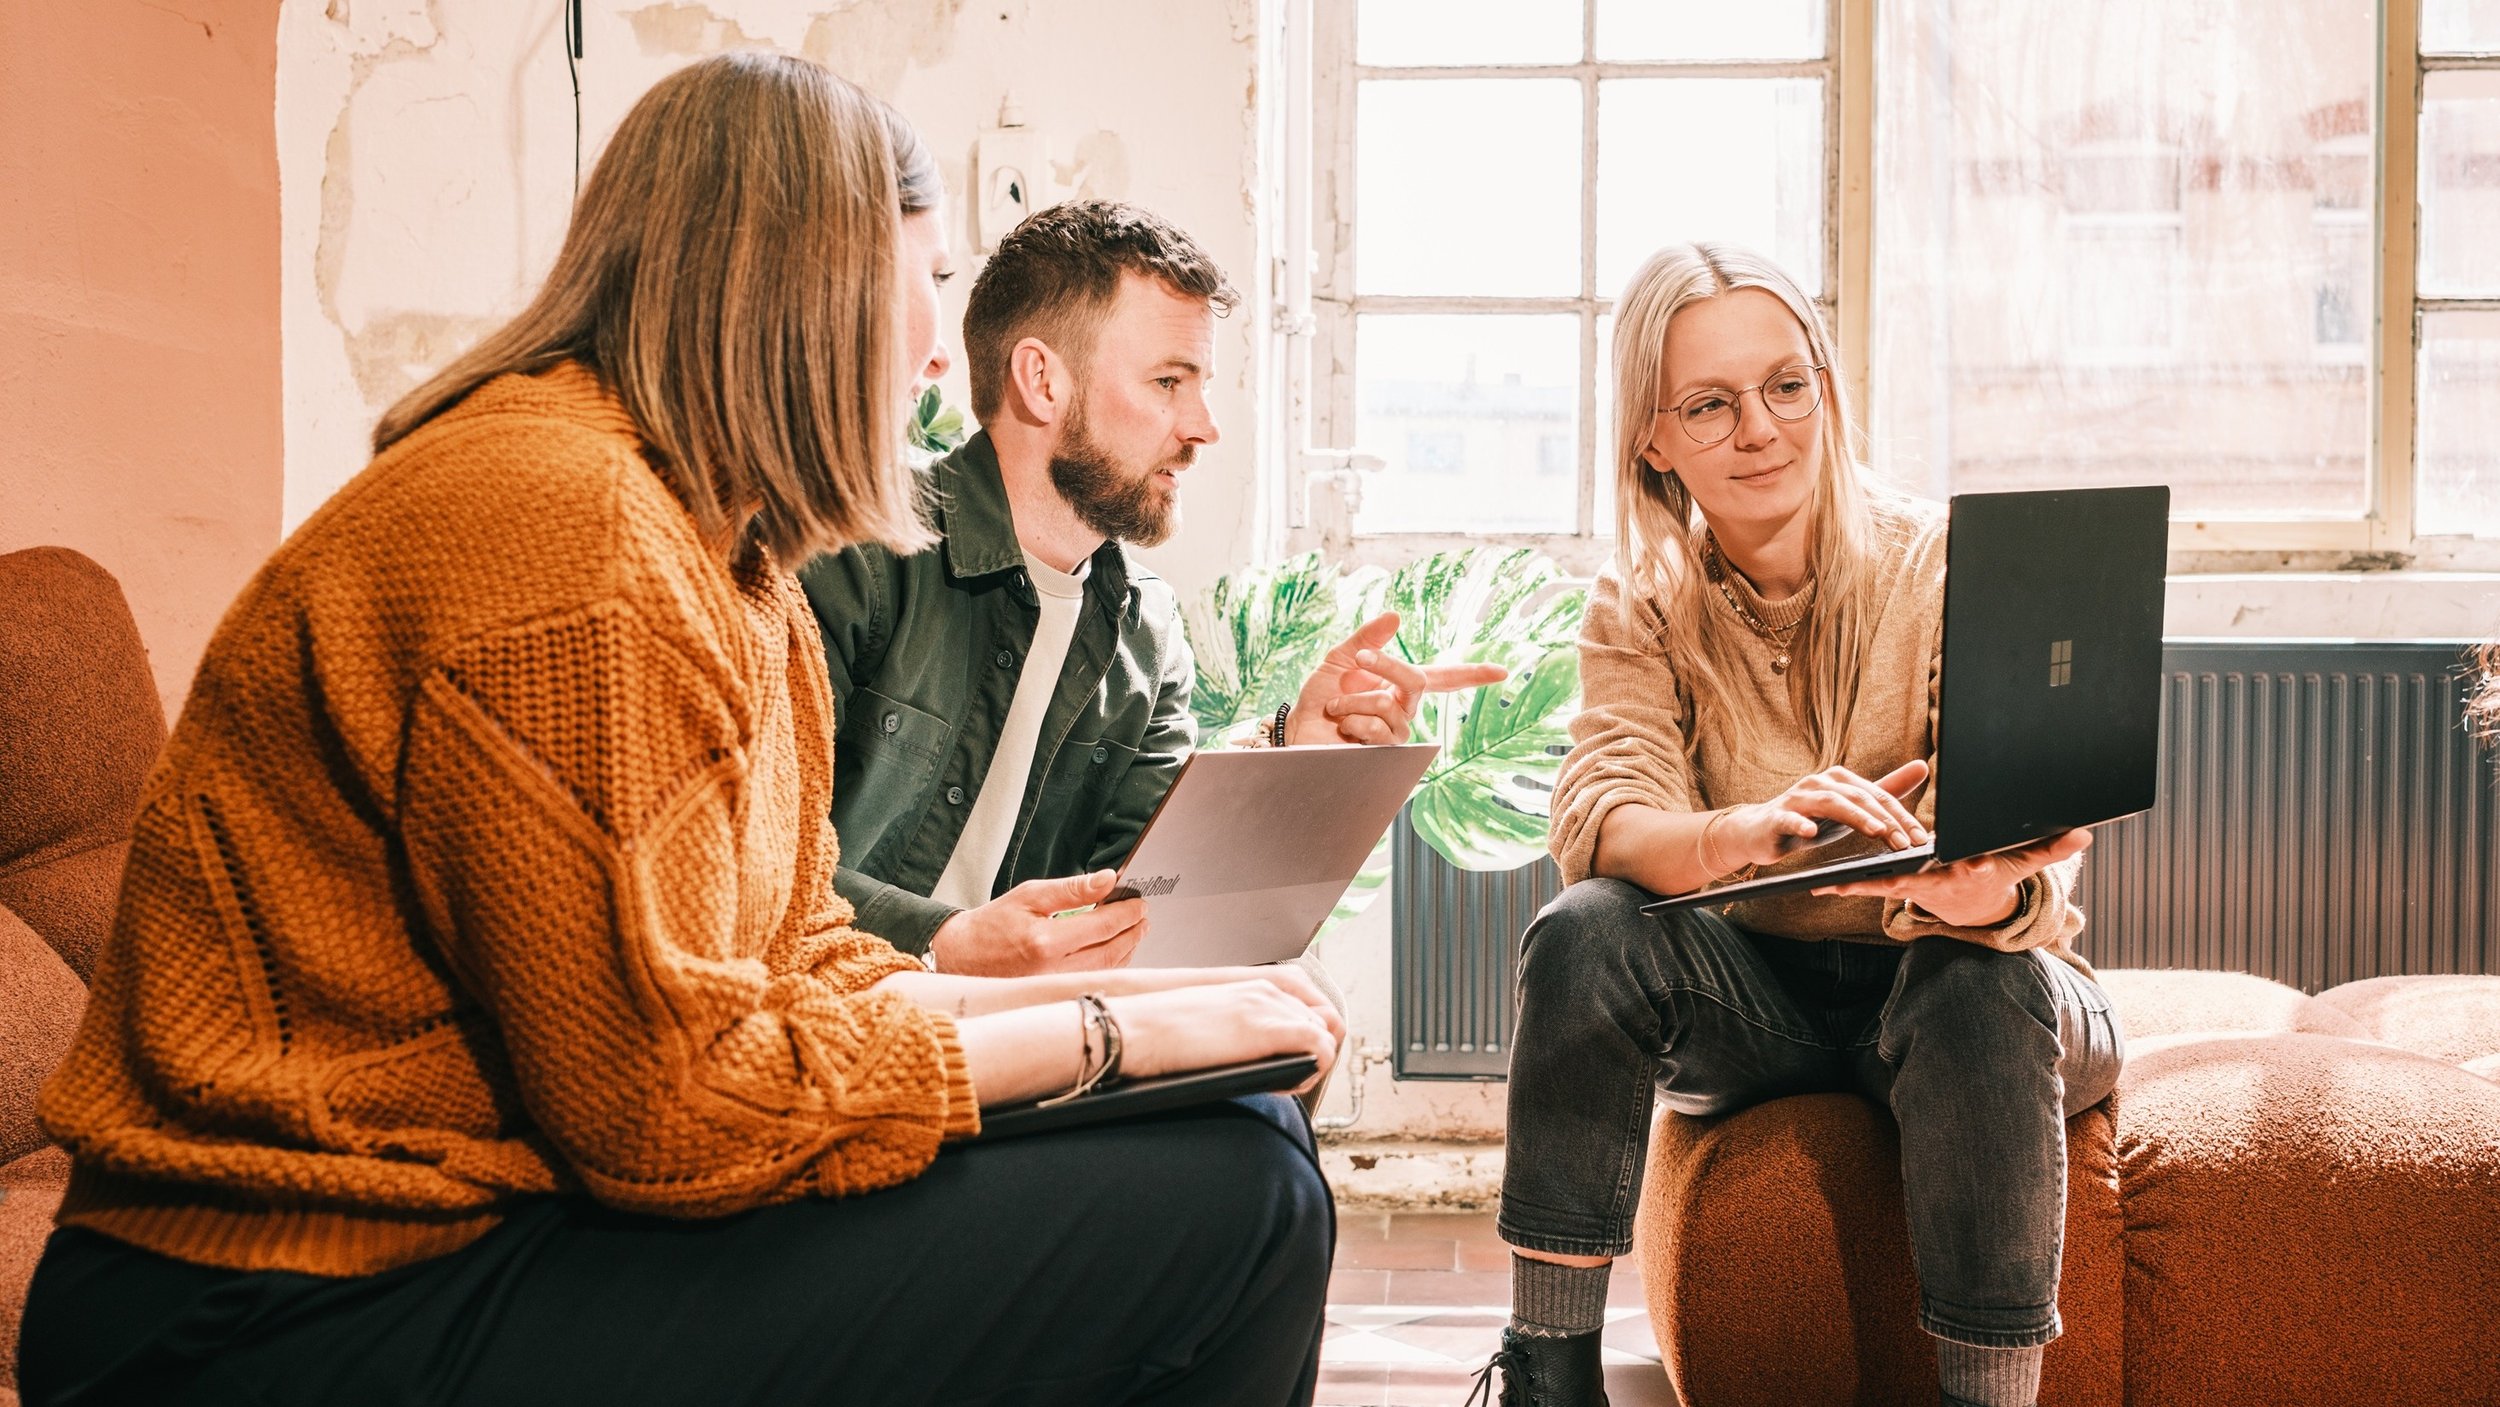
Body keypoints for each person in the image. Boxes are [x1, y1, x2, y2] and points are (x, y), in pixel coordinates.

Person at [20, 54, 1342, 1407]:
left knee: (1240, 1130)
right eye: (926, 282)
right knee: (1231, 1199)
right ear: (804, 286)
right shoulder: (571, 533)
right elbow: (677, 1105)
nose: (944, 350)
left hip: (468, 1224)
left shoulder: (724, 558)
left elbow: (799, 958)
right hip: (267, 1302)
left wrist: (1141, 1000)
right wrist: (1112, 1035)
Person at [1476, 244, 2122, 1407]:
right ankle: (1545, 1371)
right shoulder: (1640, 600)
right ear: (1650, 439)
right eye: (1709, 405)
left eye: (1787, 385)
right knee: (1583, 929)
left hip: (1967, 981)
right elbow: (1602, 813)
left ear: (1825, 386)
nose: (1760, 429)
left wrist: (1985, 896)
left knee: (1971, 982)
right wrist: (1739, 833)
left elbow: (2032, 867)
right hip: (1757, 1006)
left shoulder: (1941, 563)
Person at [799, 199, 1507, 976]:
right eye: (1169, 381)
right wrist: (943, 940)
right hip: (850, 1009)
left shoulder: (1146, 629)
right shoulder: (854, 554)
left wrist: (1289, 752)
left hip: (1029, 1025)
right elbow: (764, 865)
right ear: (1041, 381)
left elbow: (1143, 902)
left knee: (1292, 1015)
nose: (1203, 426)